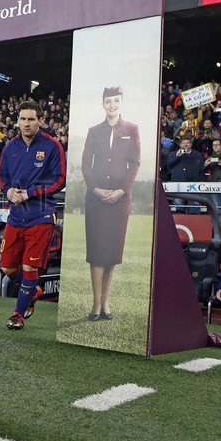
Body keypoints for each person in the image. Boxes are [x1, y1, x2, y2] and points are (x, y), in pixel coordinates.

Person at [0, 100, 66, 329]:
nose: (26, 123)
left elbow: (60, 179)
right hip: (16, 216)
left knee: (29, 267)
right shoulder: (10, 148)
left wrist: (31, 193)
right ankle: (33, 290)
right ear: (17, 121)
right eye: (23, 119)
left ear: (41, 121)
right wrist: (8, 191)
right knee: (7, 267)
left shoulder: (53, 146)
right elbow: (2, 176)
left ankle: (17, 314)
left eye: (31, 119)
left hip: (41, 216)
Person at [79, 86, 138, 321]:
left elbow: (135, 163)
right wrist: (95, 189)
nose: (112, 105)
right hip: (96, 198)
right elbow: (86, 164)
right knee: (97, 251)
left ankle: (105, 302)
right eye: (108, 101)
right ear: (103, 103)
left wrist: (122, 190)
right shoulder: (94, 131)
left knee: (112, 252)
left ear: (121, 102)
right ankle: (96, 303)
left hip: (120, 200)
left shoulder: (132, 129)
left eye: (116, 100)